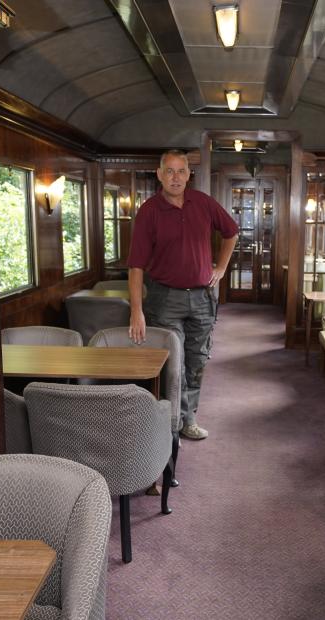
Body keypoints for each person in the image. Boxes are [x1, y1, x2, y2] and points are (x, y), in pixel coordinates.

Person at [128, 149, 238, 441]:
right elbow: (136, 266)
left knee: (197, 361)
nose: (175, 177)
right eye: (170, 171)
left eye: (181, 171)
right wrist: (136, 310)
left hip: (202, 299)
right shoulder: (149, 211)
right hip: (165, 300)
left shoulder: (202, 203)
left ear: (189, 175)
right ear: (160, 174)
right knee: (173, 365)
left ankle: (188, 419)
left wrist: (222, 267)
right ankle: (170, 424)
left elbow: (231, 232)